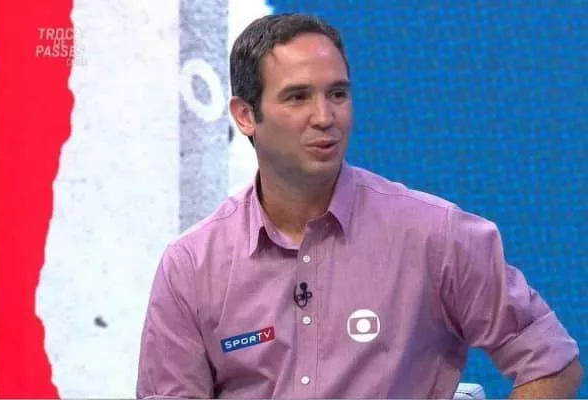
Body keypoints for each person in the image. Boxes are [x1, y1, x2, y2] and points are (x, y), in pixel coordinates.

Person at [136, 13, 583, 399]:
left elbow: (552, 362)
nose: (325, 117)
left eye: (337, 94)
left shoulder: (435, 235)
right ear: (245, 115)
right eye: (298, 97)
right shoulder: (193, 265)